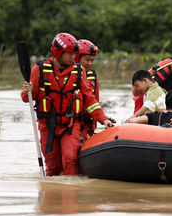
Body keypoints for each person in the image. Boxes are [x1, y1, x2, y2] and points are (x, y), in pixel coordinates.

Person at [21, 33, 114, 176]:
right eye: (70, 53)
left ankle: (70, 195)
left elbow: (89, 99)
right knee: (52, 166)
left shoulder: (79, 71)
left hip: (71, 125)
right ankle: (52, 196)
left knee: (70, 160)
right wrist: (26, 90)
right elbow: (27, 99)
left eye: (74, 54)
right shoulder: (39, 69)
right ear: (58, 52)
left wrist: (104, 119)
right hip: (48, 126)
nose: (73, 57)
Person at [74, 39, 103, 143]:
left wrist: (95, 122)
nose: (90, 63)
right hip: (73, 121)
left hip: (88, 122)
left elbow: (95, 98)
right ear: (77, 57)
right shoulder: (70, 74)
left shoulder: (92, 75)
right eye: (87, 59)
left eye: (92, 60)